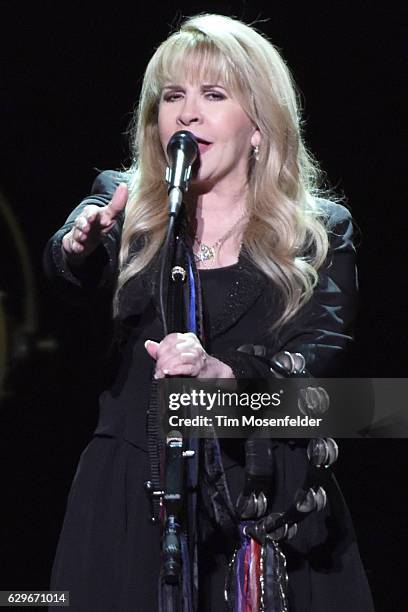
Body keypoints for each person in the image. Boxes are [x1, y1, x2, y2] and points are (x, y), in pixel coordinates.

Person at [44, 13, 375, 612]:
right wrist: (77, 244)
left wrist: (228, 389)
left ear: (258, 125)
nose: (187, 113)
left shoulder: (319, 233)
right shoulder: (126, 207)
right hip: (127, 506)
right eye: (173, 96)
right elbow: (69, 264)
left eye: (213, 95)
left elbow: (355, 404)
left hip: (263, 513)